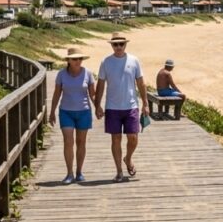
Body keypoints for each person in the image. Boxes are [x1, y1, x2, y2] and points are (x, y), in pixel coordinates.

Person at [94, 33, 150, 182]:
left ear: (125, 44)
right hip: (112, 107)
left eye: (121, 44)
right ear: (111, 45)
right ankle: (119, 171)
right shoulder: (106, 62)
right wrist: (97, 105)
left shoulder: (134, 60)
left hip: (131, 105)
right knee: (116, 139)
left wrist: (145, 103)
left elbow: (141, 83)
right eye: (115, 44)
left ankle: (128, 158)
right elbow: (100, 85)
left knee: (133, 137)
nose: (118, 47)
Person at [48, 47, 97, 184]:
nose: (78, 61)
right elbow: (56, 94)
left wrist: (98, 107)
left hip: (84, 112)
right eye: (75, 59)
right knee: (68, 141)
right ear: (68, 60)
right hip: (66, 112)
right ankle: (69, 173)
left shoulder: (88, 73)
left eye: (80, 58)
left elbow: (92, 94)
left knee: (81, 142)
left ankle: (79, 172)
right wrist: (52, 112)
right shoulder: (61, 74)